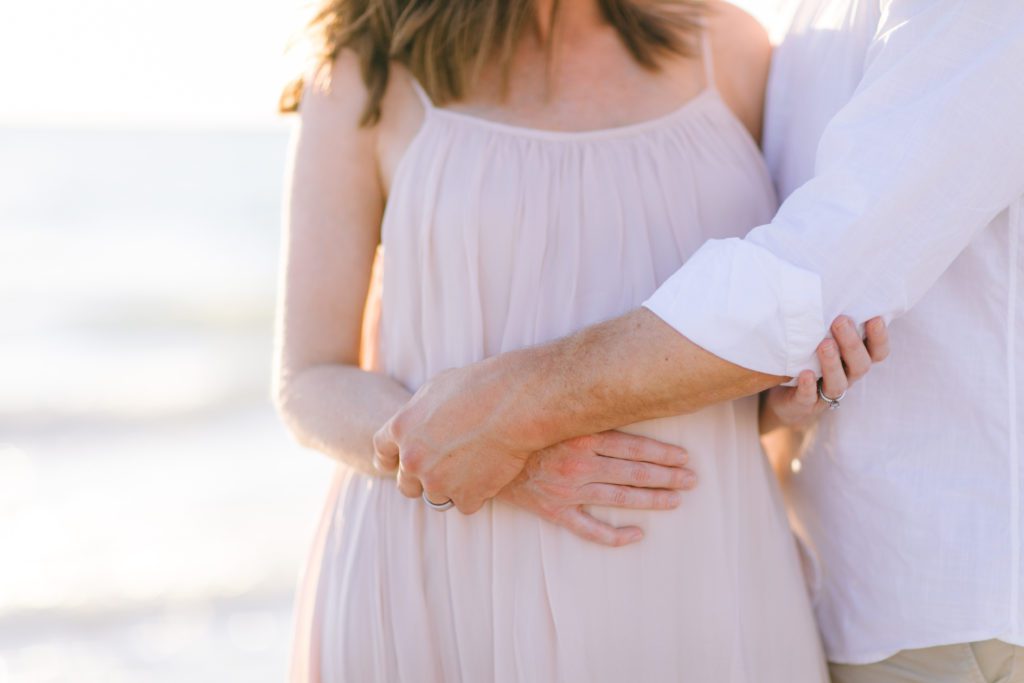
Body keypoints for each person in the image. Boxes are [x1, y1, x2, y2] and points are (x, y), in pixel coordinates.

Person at [376, 1, 1024, 681]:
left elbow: (804, 285)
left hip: (955, 604)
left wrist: (511, 406)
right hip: (835, 591)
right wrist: (777, 404)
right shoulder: (809, 25)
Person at [274, 0, 886, 679]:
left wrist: (786, 398)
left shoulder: (732, 49)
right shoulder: (367, 69)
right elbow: (309, 378)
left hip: (699, 578)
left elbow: (750, 322)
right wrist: (496, 450)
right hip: (446, 575)